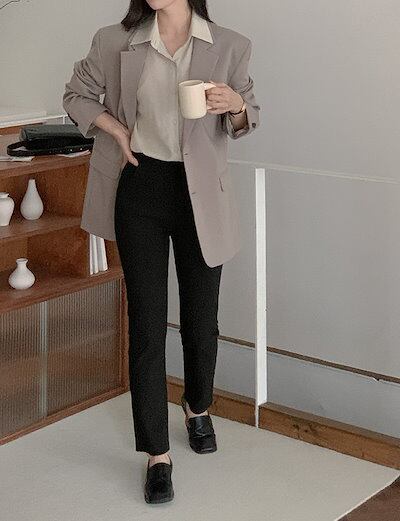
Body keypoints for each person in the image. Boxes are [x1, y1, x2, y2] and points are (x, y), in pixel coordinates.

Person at [63, 0, 260, 505]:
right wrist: (115, 129)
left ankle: (197, 407)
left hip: (201, 195)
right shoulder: (114, 40)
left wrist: (235, 104)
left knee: (201, 317)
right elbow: (76, 95)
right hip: (140, 185)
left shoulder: (230, 45)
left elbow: (247, 119)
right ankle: (156, 454)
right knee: (147, 324)